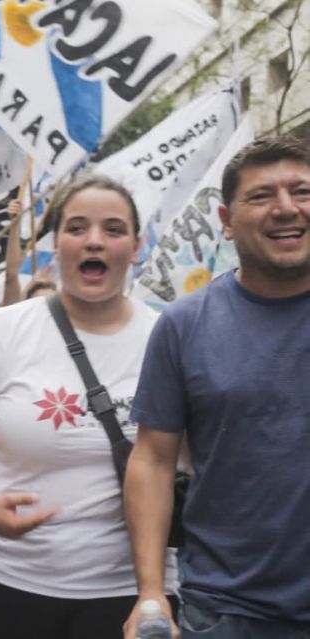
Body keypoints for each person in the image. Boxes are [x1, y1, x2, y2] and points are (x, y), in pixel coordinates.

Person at [0, 175, 178, 639]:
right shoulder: (0, 331)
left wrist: (153, 590)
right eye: (77, 228)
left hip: (128, 595)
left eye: (113, 229)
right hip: (1, 582)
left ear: (136, 247)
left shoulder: (169, 338)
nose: (94, 241)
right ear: (56, 244)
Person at [123, 136, 310, 639]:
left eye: (302, 191)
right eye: (262, 195)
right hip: (224, 611)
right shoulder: (183, 325)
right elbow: (153, 460)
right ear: (226, 221)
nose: (286, 207)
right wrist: (150, 590)